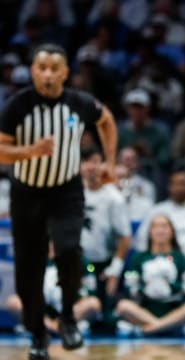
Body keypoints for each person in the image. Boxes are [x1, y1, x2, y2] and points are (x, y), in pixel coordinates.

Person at [0, 43, 117, 360]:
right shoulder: (17, 105)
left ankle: (68, 318)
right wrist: (29, 152)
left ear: (66, 73)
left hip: (66, 191)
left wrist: (109, 161)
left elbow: (105, 120)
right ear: (34, 71)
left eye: (55, 68)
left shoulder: (78, 103)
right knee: (30, 267)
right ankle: (37, 333)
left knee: (68, 250)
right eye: (42, 68)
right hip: (27, 193)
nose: (48, 74)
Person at [115, 214, 185, 336]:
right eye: (155, 226)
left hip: (173, 308)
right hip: (146, 308)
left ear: (172, 231)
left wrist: (171, 286)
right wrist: (146, 289)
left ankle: (149, 329)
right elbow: (130, 286)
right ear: (150, 232)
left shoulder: (182, 258)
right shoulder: (138, 258)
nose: (160, 230)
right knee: (123, 306)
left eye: (164, 226)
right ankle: (164, 326)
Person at [80, 146, 131, 326]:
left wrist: (115, 269)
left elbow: (124, 237)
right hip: (76, 263)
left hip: (102, 265)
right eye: (85, 162)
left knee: (106, 319)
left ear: (104, 165)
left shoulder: (114, 198)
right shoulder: (71, 193)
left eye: (95, 161)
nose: (90, 167)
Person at [6, 241, 101, 335]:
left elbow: (90, 288)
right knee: (13, 302)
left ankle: (65, 323)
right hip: (41, 309)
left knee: (93, 303)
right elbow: (25, 288)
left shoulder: (79, 260)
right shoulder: (34, 260)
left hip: (71, 308)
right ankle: (47, 326)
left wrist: (78, 293)